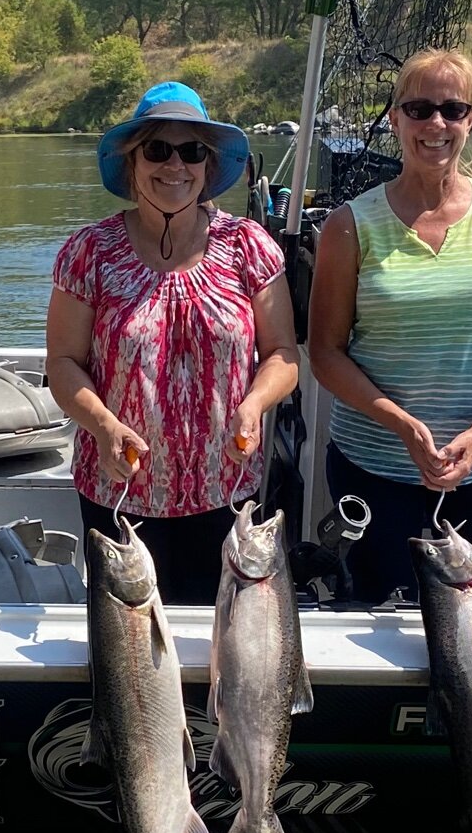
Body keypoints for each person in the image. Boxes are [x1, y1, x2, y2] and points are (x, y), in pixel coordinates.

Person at [46, 83, 297, 605]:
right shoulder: (88, 253)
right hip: (119, 492)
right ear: (132, 163)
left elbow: (283, 355)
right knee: (132, 658)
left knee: (222, 646)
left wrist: (253, 405)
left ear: (208, 167)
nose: (174, 165)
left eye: (192, 151)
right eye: (157, 149)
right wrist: (104, 425)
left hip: (227, 489)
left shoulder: (250, 246)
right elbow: (64, 363)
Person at [308, 48, 472, 607]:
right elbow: (325, 352)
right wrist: (405, 427)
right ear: (394, 119)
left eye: (453, 109)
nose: (436, 124)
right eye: (419, 108)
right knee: (381, 632)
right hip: (373, 471)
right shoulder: (349, 226)